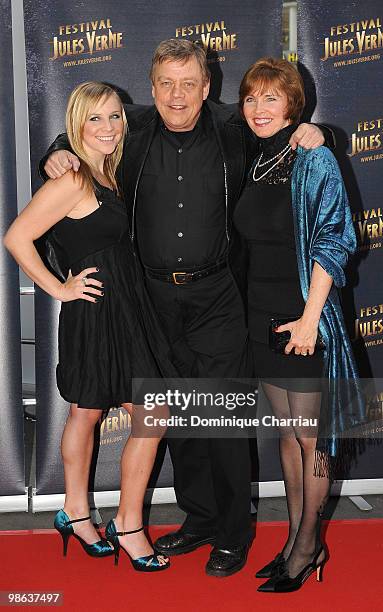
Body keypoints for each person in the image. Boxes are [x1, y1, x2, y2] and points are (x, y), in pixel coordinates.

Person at [40, 39, 329, 577]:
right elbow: (86, 129)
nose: (178, 94)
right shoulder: (136, 129)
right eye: (167, 84)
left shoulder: (234, 127)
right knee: (180, 417)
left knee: (221, 419)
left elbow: (286, 136)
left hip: (218, 295)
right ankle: (197, 520)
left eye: (188, 83)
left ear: (206, 87)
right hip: (148, 298)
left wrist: (320, 132)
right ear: (151, 90)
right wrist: (55, 150)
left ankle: (232, 533)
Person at [4, 81, 171, 572]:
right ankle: (126, 524)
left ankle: (77, 511)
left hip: (127, 306)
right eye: (95, 118)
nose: (108, 127)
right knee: (135, 413)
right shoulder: (73, 180)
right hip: (97, 309)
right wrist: (58, 288)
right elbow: (17, 236)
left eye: (115, 116)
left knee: (88, 412)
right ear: (76, 124)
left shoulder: (107, 173)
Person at [234, 57, 364, 592]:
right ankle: (292, 538)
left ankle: (309, 546)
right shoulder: (256, 157)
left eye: (271, 98)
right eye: (250, 98)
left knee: (312, 438)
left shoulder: (316, 158)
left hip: (303, 318)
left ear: (294, 104)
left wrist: (310, 320)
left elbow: (337, 239)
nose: (259, 108)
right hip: (260, 316)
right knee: (288, 435)